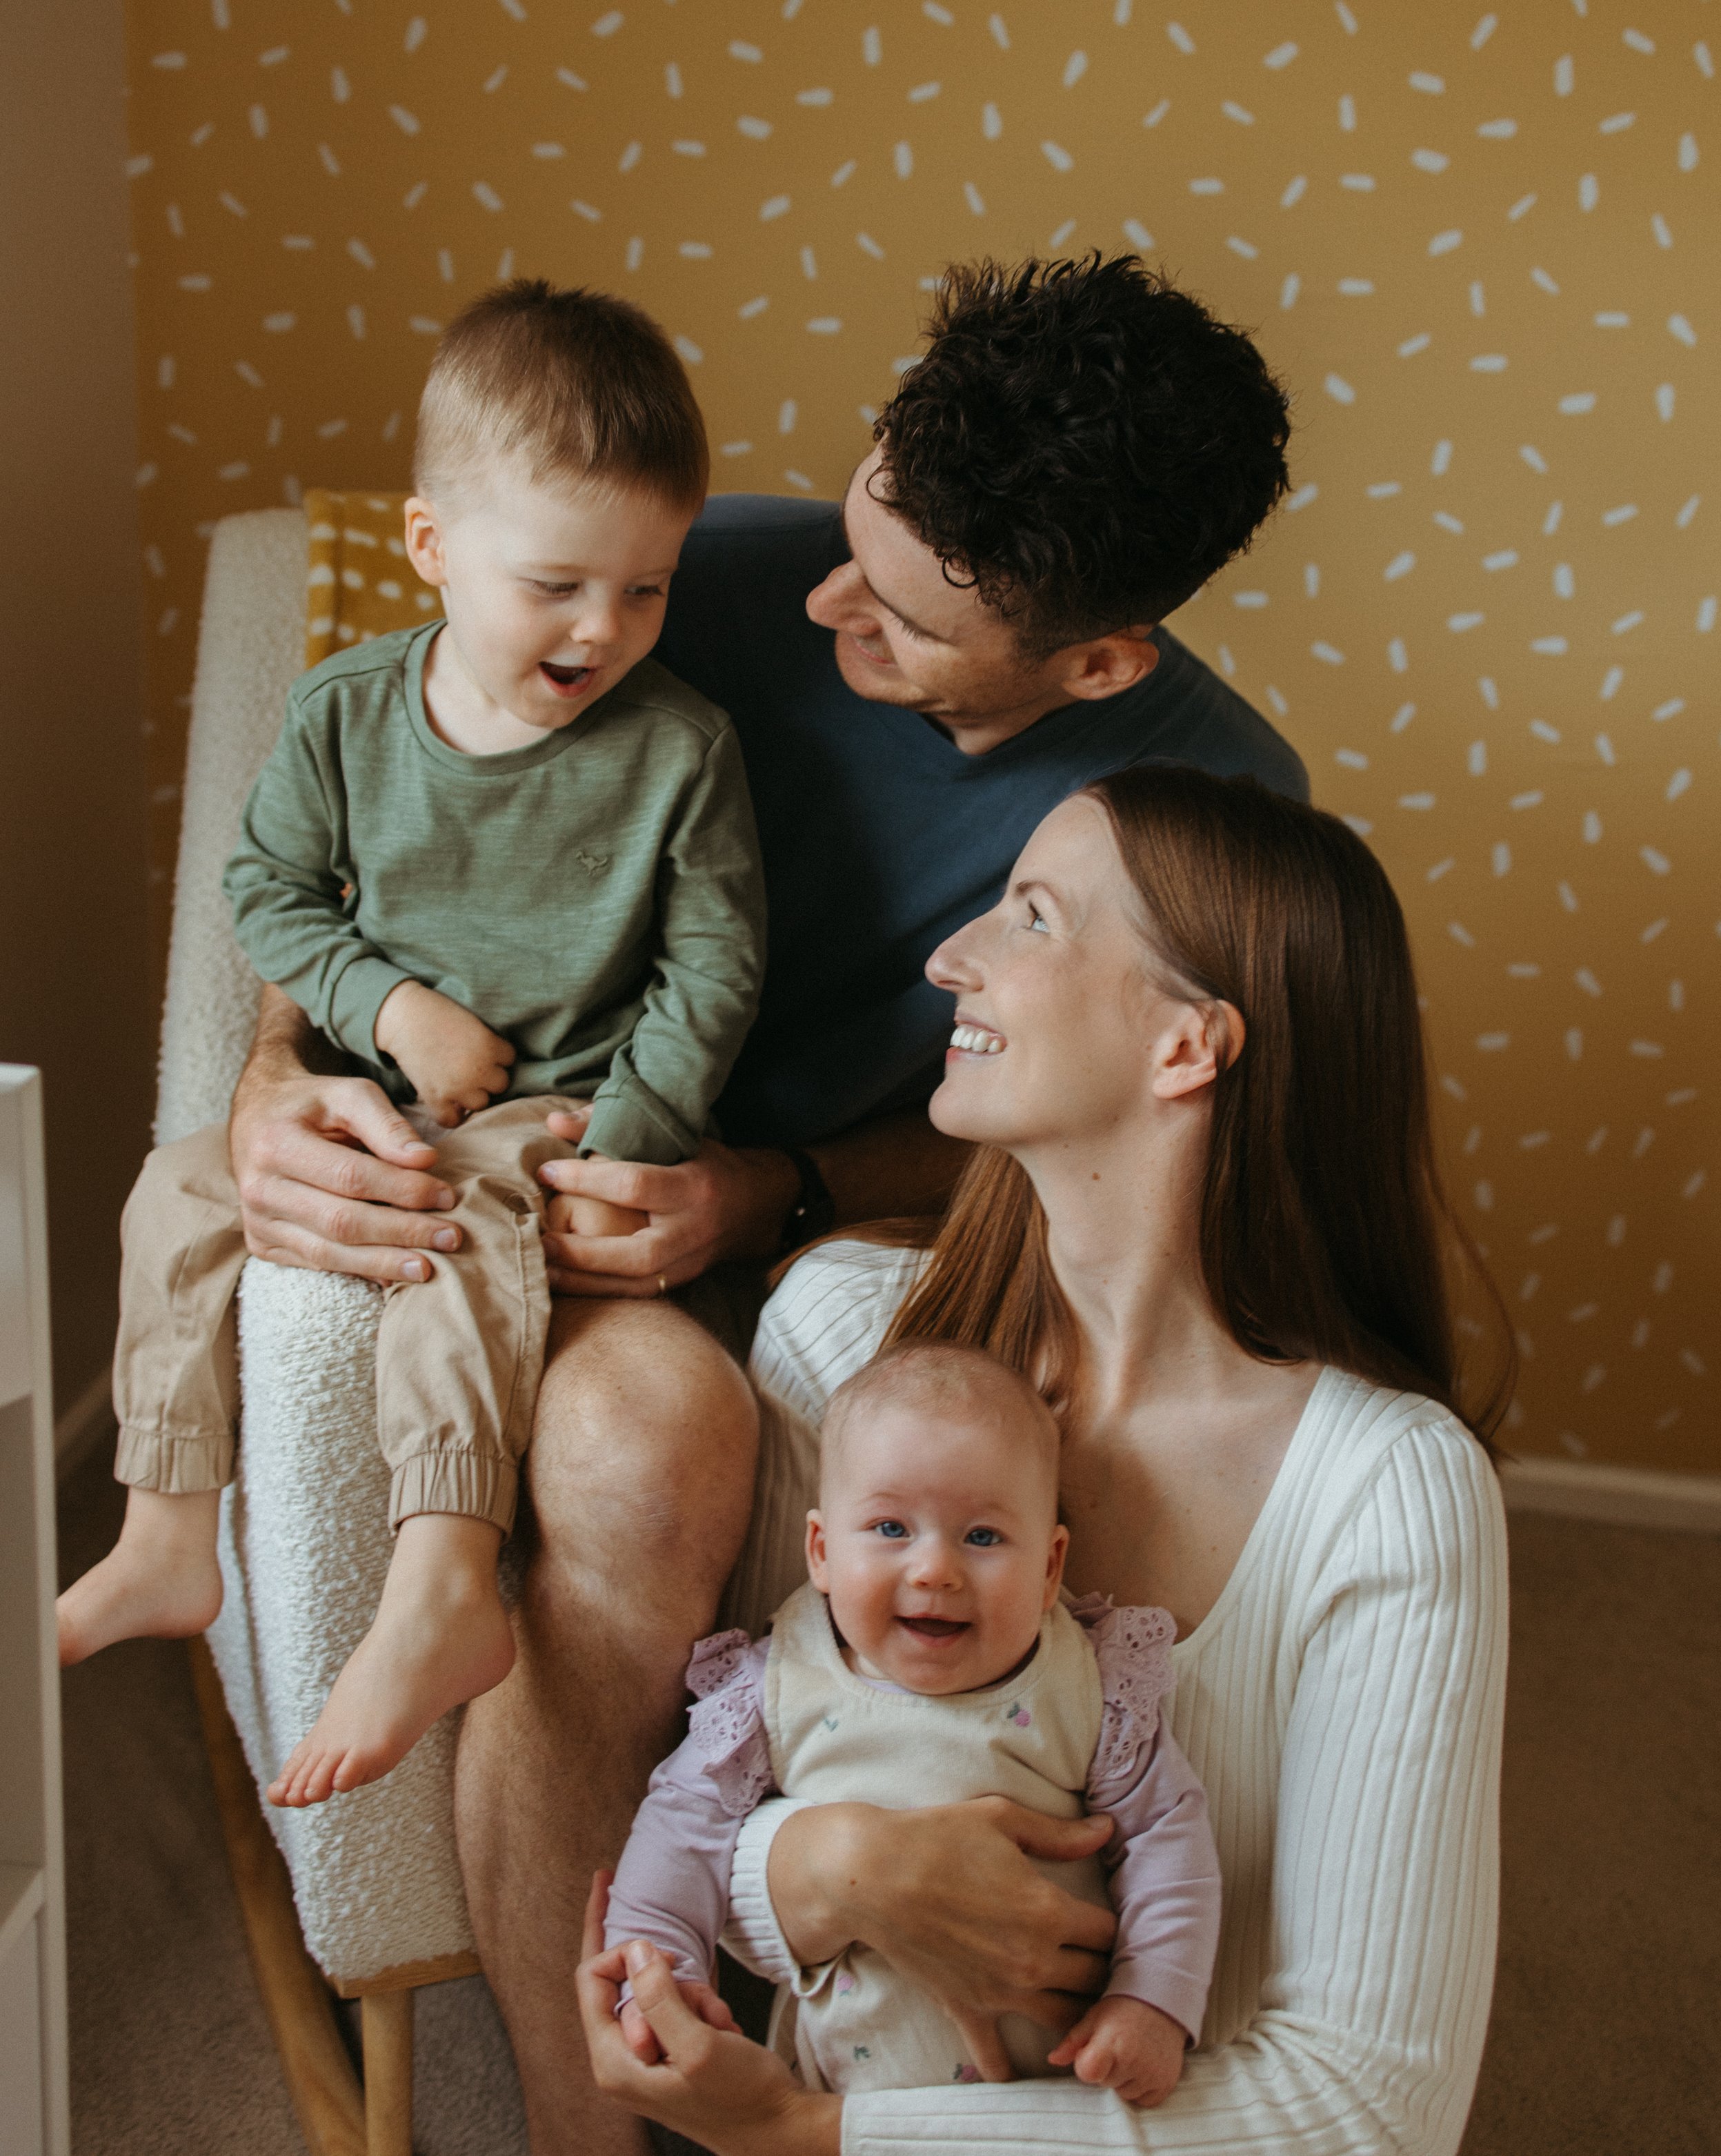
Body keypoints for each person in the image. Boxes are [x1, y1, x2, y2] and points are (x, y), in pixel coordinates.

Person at [220, 255, 1309, 2148]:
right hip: (552, 1181)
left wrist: (767, 1189)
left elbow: (1116, 1145)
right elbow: (371, 815)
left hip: (874, 1240)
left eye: (895, 613)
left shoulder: (1216, 806)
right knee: (643, 1457)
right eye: (853, 522)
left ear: (1095, 662)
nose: (818, 603)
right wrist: (265, 1076)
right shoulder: (680, 570)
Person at [577, 764, 1513, 2156]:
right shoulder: (840, 1339)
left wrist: (813, 2134)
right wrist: (830, 1863)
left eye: (1030, 916)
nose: (949, 957)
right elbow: (732, 1770)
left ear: (1186, 1046)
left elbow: (1366, 2109)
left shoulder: (1387, 1494)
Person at [56, 281, 766, 1810]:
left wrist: (628, 1137)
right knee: (172, 1191)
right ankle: (166, 1530)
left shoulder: (680, 748)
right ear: (432, 546)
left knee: (449, 1238)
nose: (603, 627)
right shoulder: (342, 716)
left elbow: (714, 969)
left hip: (552, 1114)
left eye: (646, 588)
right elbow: (266, 891)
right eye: (558, 583)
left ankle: (443, 1576)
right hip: (363, 1089)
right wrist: (384, 1007)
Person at [604, 1341, 1220, 2106]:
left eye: (983, 1536)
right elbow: (680, 1828)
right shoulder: (775, 1685)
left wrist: (1152, 1999)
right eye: (891, 1528)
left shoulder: (1090, 1685)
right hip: (844, 2112)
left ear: (1050, 1568)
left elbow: (1167, 1838)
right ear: (821, 1551)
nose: (934, 1570)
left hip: (1062, 2105)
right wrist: (659, 1975)